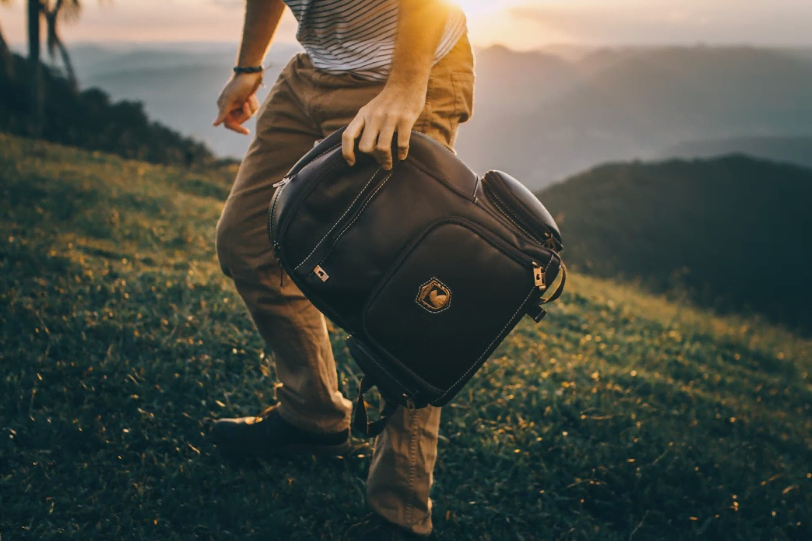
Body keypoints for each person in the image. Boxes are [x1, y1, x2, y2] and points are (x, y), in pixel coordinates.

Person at [211, 1, 474, 539]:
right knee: (249, 243)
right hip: (313, 70)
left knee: (407, 287)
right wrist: (248, 65)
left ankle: (399, 513)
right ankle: (313, 415)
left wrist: (406, 85)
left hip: (406, 68)